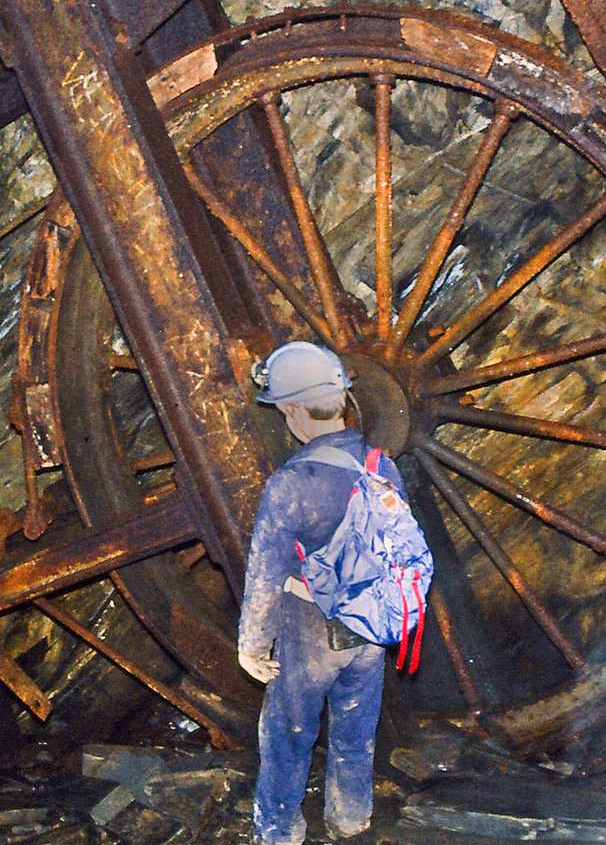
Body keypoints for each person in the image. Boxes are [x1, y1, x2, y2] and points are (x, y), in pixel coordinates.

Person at [237, 341, 426, 843]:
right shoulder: (380, 465)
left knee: (288, 736)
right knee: (355, 733)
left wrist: (253, 644)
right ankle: (350, 818)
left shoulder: (290, 483)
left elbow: (265, 573)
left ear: (295, 410)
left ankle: (278, 831)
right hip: (369, 625)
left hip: (310, 629)